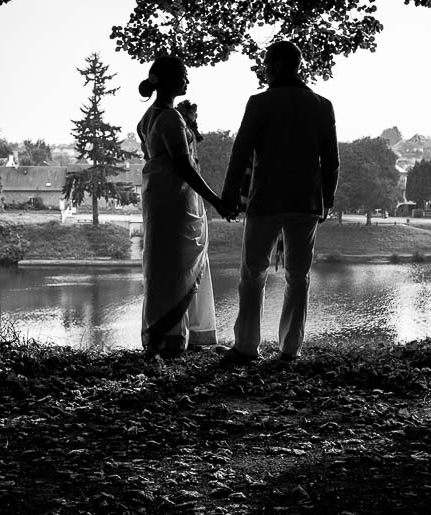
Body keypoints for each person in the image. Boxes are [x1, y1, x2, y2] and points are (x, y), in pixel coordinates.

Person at [218, 40, 339, 365]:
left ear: (279, 66)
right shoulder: (322, 105)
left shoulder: (259, 103)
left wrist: (230, 195)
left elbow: (240, 151)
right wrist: (327, 199)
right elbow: (331, 161)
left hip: (266, 198)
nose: (264, 69)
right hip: (306, 201)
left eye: (267, 63)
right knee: (298, 276)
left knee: (253, 274)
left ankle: (246, 345)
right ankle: (289, 349)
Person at [136, 56, 229, 358]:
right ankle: (172, 338)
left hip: (157, 199)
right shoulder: (169, 118)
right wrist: (216, 201)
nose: (188, 81)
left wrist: (189, 125)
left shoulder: (148, 117)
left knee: (164, 265)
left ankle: (166, 335)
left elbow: (159, 155)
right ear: (170, 80)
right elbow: (184, 168)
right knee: (177, 267)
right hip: (176, 202)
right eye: (184, 75)